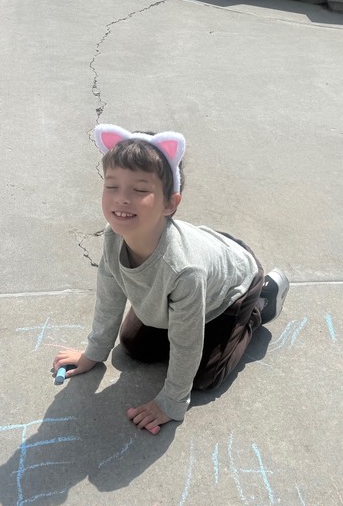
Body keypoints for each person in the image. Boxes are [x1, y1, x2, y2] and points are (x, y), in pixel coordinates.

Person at [52, 124, 289, 435]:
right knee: (133, 345)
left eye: (139, 190)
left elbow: (187, 342)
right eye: (112, 186)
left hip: (232, 289)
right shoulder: (114, 236)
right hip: (198, 264)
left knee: (205, 376)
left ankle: (262, 301)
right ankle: (195, 295)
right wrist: (93, 353)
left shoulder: (184, 271)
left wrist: (172, 400)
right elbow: (110, 296)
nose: (122, 198)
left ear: (170, 204)